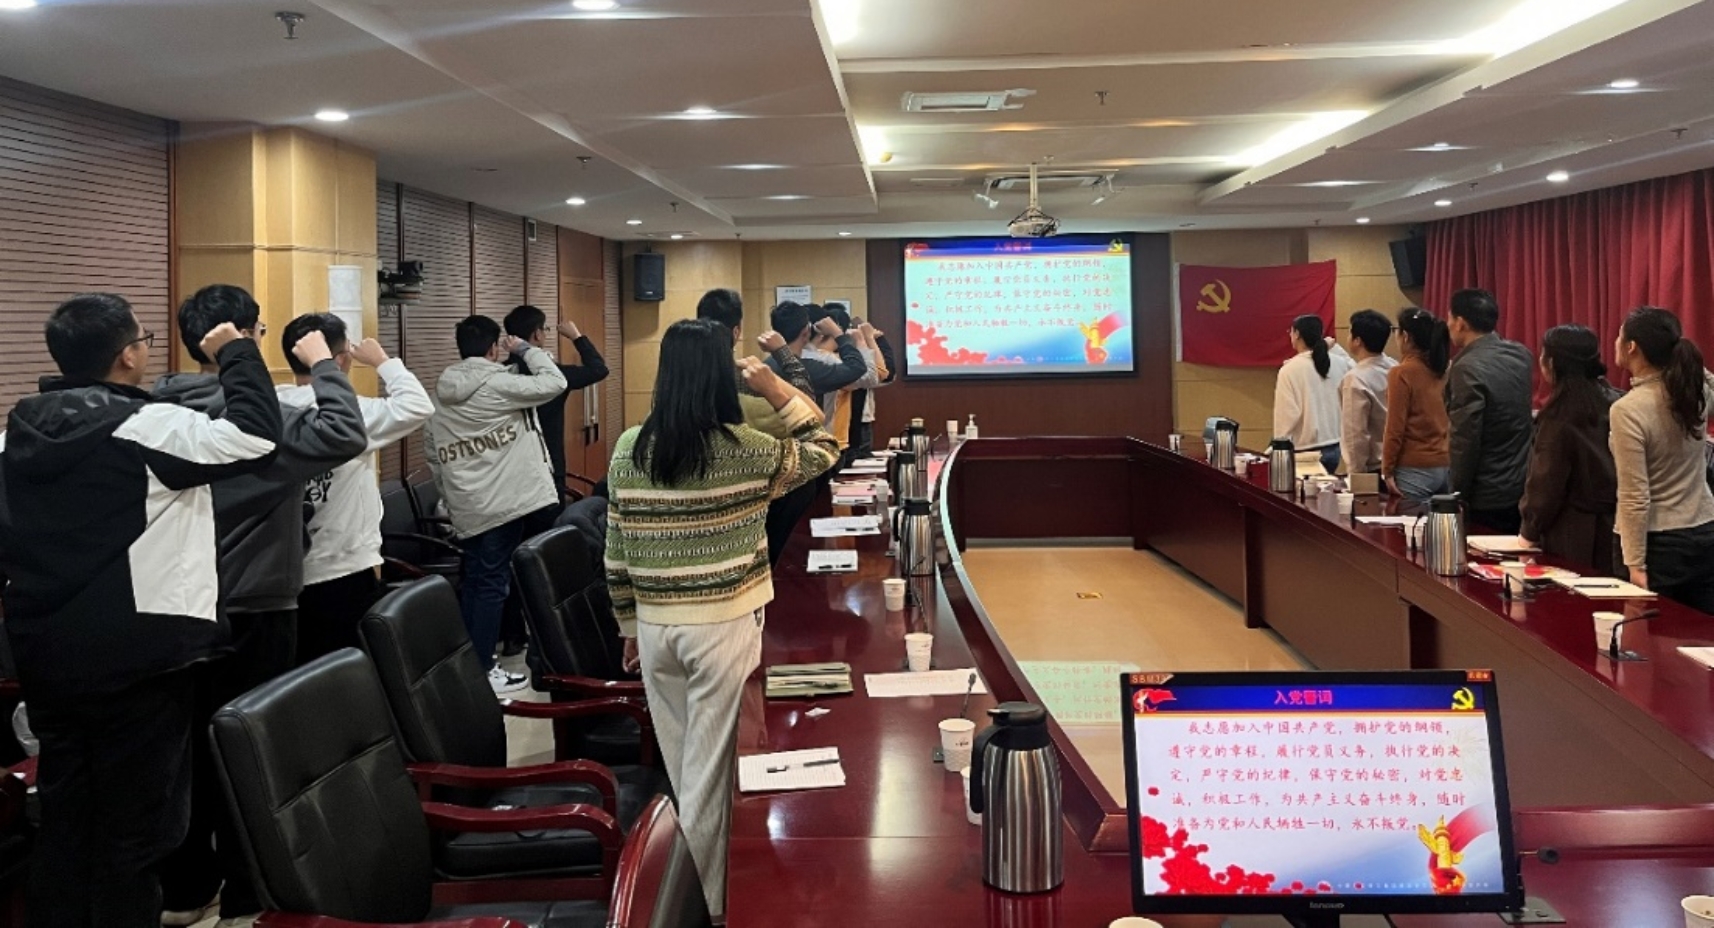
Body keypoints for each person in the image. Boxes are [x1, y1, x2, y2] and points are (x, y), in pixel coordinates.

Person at [0, 294, 282, 928]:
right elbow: (258, 436)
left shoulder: (12, 438)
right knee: (137, 830)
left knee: (67, 819)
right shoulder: (148, 426)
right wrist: (237, 352)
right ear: (128, 355)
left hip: (48, 656)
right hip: (142, 657)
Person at [605, 319, 839, 919]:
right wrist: (775, 386)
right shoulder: (747, 448)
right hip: (722, 625)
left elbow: (617, 548)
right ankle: (706, 908)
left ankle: (678, 889)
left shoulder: (630, 446)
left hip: (656, 628)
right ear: (720, 376)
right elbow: (824, 445)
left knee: (685, 768)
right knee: (707, 779)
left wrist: (629, 626)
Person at [154, 285, 368, 926]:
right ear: (245, 337)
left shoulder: (160, 410)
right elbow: (344, 432)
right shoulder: (263, 421)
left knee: (188, 752)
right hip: (257, 604)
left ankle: (187, 889)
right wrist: (324, 363)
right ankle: (251, 894)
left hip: (176, 607)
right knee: (253, 752)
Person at [280, 313, 434, 665]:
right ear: (340, 360)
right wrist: (382, 361)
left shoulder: (275, 406)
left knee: (300, 673)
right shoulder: (352, 414)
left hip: (285, 571)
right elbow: (417, 405)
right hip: (343, 566)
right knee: (346, 673)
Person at [425, 315, 567, 693]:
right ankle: (484, 670)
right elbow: (555, 381)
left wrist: (453, 497)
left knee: (476, 582)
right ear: (493, 348)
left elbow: (434, 454)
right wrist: (525, 349)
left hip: (469, 504)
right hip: (503, 502)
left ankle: (474, 665)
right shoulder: (500, 384)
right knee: (490, 585)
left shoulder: (440, 395)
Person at [1610, 307, 1714, 610]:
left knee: (1648, 635)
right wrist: (1694, 366)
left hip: (1657, 545)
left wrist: (1635, 564)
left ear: (1631, 347)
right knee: (1702, 632)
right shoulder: (1693, 394)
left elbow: (1634, 494)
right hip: (1704, 530)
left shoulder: (1628, 410)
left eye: (1619, 335)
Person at [761, 301, 865, 564]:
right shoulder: (808, 368)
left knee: (777, 543)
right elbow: (857, 368)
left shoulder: (764, 366)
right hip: (804, 463)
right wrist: (840, 334)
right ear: (806, 331)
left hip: (770, 466)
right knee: (802, 539)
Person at [1519, 325, 1619, 575]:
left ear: (1551, 363)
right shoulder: (1618, 400)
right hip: (1617, 526)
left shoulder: (1559, 414)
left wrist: (1529, 532)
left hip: (1572, 531)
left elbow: (1546, 482)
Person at [1444, 288, 1534, 533]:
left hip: (1484, 490)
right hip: (1521, 480)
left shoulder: (1465, 367)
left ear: (1460, 323)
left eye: (1449, 318)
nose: (1448, 324)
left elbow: (1465, 438)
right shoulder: (1521, 355)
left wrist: (1457, 492)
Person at [500, 304, 609, 499]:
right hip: (549, 464)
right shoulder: (554, 377)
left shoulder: (498, 375)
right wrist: (576, 337)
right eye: (545, 329)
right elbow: (598, 369)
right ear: (537, 334)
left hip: (509, 467)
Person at [1382, 309, 1454, 503]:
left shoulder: (1401, 373)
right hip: (1445, 464)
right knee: (1441, 522)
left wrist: (1387, 470)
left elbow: (1395, 428)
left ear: (1405, 336)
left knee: (1408, 521)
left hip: (1414, 468)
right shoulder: (1444, 369)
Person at [1273, 314, 1354, 474]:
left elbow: (1287, 415)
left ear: (1297, 334)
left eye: (1291, 332)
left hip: (1305, 451)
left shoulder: (1289, 370)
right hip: (1335, 445)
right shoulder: (1339, 362)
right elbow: (1356, 368)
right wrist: (1333, 347)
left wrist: (1278, 446)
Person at [1338, 309, 1398, 475]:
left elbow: (1355, 433)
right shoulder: (1395, 366)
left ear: (1358, 341)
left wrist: (1355, 472)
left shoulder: (1355, 379)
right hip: (1399, 460)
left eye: (1350, 332)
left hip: (1374, 467)